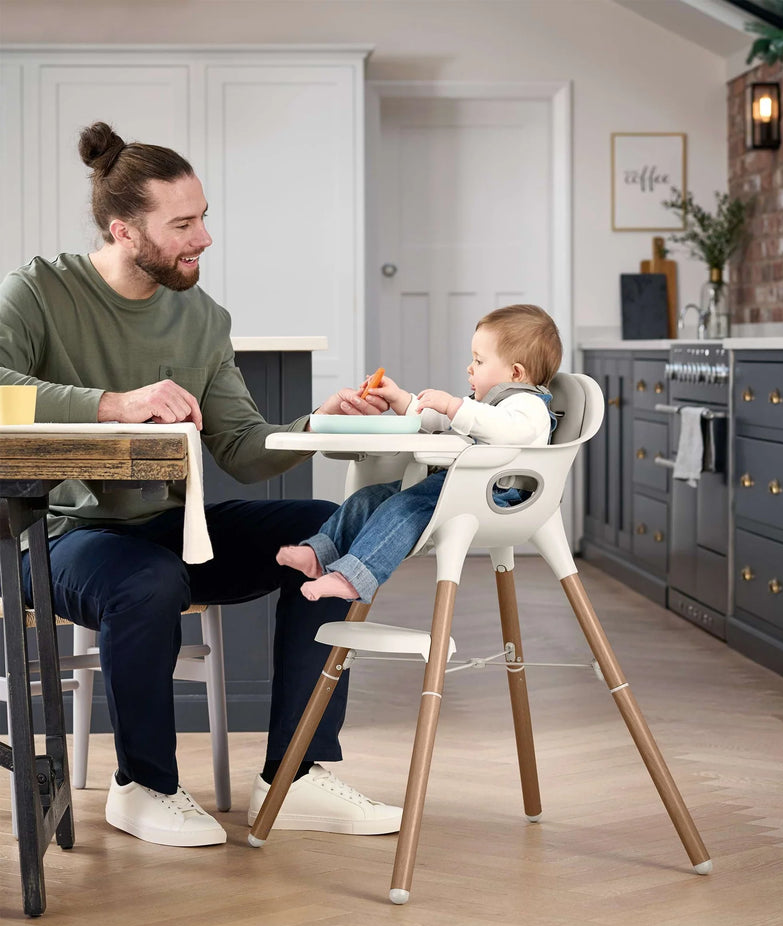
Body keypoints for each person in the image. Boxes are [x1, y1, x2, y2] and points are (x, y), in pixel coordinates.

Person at [0, 121, 403, 847]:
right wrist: (114, 405)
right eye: (183, 224)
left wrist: (316, 423)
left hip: (162, 530)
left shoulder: (202, 319)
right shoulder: (40, 293)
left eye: (203, 218)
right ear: (124, 231)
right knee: (147, 581)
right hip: (54, 535)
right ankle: (144, 786)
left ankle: (295, 774)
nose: (204, 239)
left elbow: (244, 449)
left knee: (332, 527)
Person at [277, 304, 562, 604]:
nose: (469, 367)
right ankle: (320, 553)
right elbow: (436, 420)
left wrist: (454, 406)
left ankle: (353, 577)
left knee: (403, 508)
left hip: (497, 496)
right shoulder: (488, 406)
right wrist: (400, 399)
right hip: (461, 488)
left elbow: (507, 431)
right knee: (370, 498)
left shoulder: (528, 407)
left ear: (516, 373)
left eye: (479, 360)